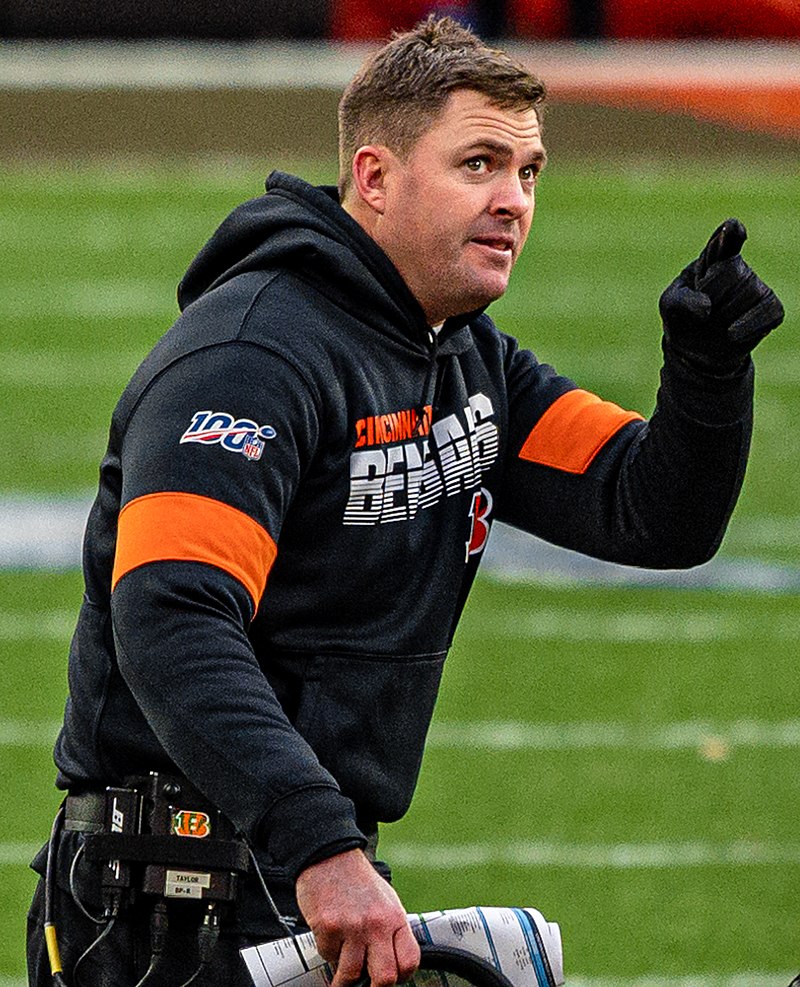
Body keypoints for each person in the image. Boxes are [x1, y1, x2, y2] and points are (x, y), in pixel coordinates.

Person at [27, 14, 784, 987]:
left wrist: (705, 373)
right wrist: (321, 848)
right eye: (477, 164)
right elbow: (171, 613)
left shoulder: (463, 356)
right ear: (374, 178)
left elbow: (650, 511)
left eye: (528, 172)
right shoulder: (253, 357)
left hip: (301, 868)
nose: (512, 200)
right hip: (164, 903)